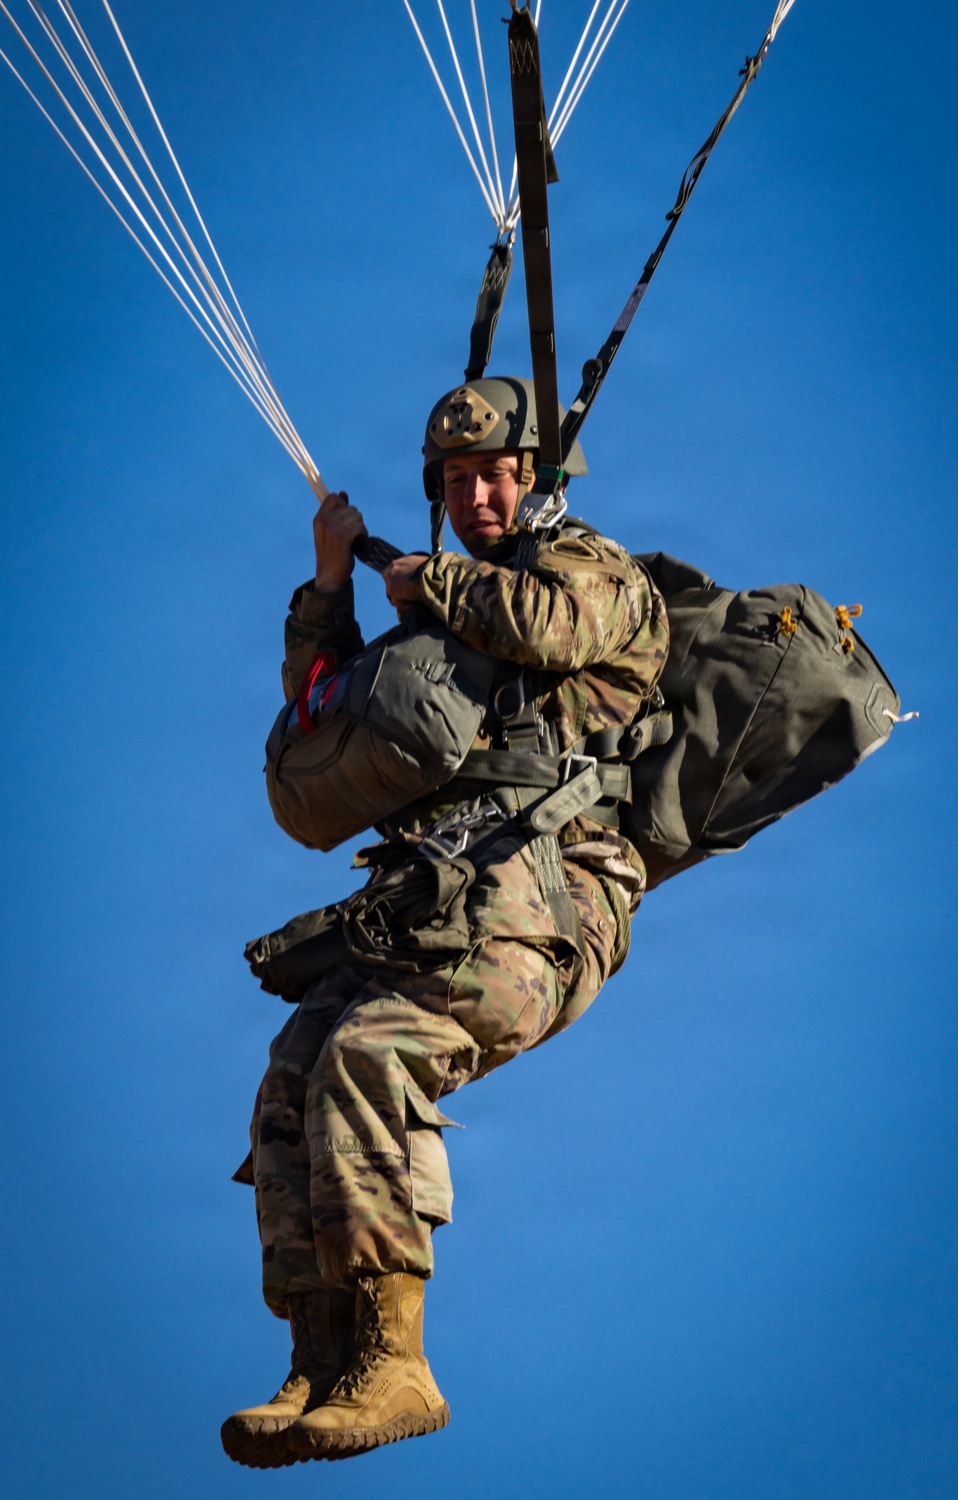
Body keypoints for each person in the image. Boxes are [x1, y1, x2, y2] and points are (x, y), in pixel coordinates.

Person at [221, 377, 669, 1468]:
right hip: (439, 899)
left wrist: (437, 582)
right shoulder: (441, 616)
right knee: (294, 1073)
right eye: (458, 481)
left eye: (499, 474)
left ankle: (396, 1361)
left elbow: (552, 628)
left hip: (547, 901)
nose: (478, 494)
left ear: (541, 477)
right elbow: (326, 710)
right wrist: (333, 587)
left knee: (373, 1056)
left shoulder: (594, 571)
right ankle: (322, 1356)